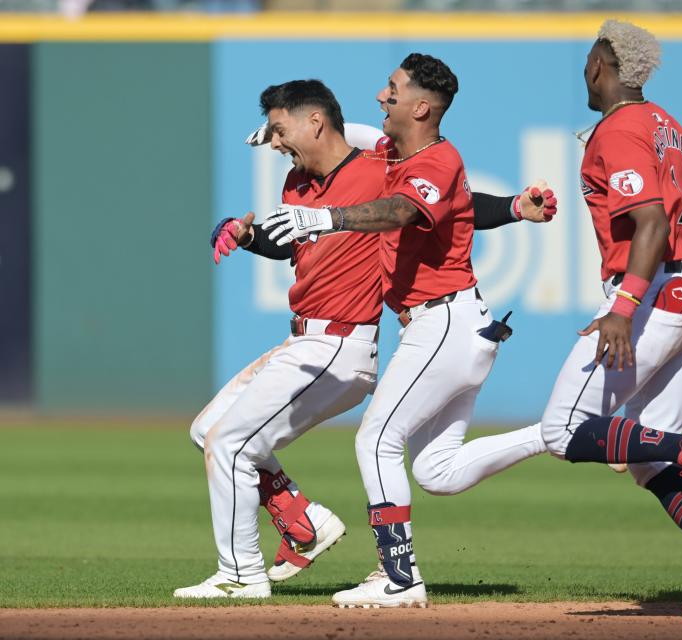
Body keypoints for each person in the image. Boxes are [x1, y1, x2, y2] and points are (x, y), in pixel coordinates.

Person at [175, 79, 556, 599]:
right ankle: (302, 520)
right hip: (301, 339)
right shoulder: (297, 184)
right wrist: (247, 237)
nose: (275, 142)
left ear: (314, 122)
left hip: (339, 346)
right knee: (207, 431)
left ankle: (243, 574)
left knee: (233, 443)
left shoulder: (379, 170)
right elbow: (292, 245)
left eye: (279, 129)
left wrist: (513, 206)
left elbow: (451, 204)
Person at [533, 20, 682, 622]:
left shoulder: (620, 128)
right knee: (648, 460)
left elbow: (653, 223)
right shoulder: (672, 128)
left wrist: (625, 306)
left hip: (651, 293)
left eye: (587, 60)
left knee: (563, 430)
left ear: (600, 68)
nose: (583, 70)